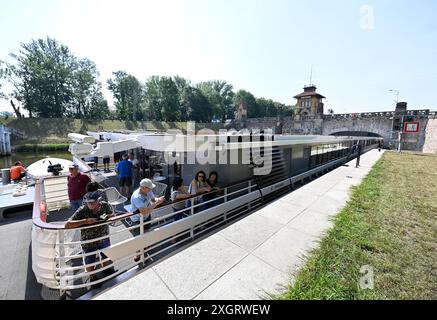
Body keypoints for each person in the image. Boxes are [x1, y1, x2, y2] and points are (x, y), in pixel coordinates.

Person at [65, 192, 116, 282]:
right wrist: (85, 221)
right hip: (88, 241)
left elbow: (113, 215)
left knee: (106, 255)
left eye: (92, 202)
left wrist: (107, 217)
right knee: (89, 261)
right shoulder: (82, 210)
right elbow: (68, 224)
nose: (90, 204)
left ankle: (106, 270)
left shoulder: (105, 205)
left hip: (103, 238)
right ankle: (92, 277)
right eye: (88, 202)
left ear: (98, 201)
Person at [130, 179, 165, 262]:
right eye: (149, 188)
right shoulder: (136, 196)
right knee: (138, 238)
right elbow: (144, 211)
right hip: (137, 220)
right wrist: (156, 203)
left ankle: (145, 249)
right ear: (143, 187)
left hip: (146, 217)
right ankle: (138, 253)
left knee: (146, 233)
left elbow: (153, 199)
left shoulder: (148, 191)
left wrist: (158, 199)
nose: (150, 190)